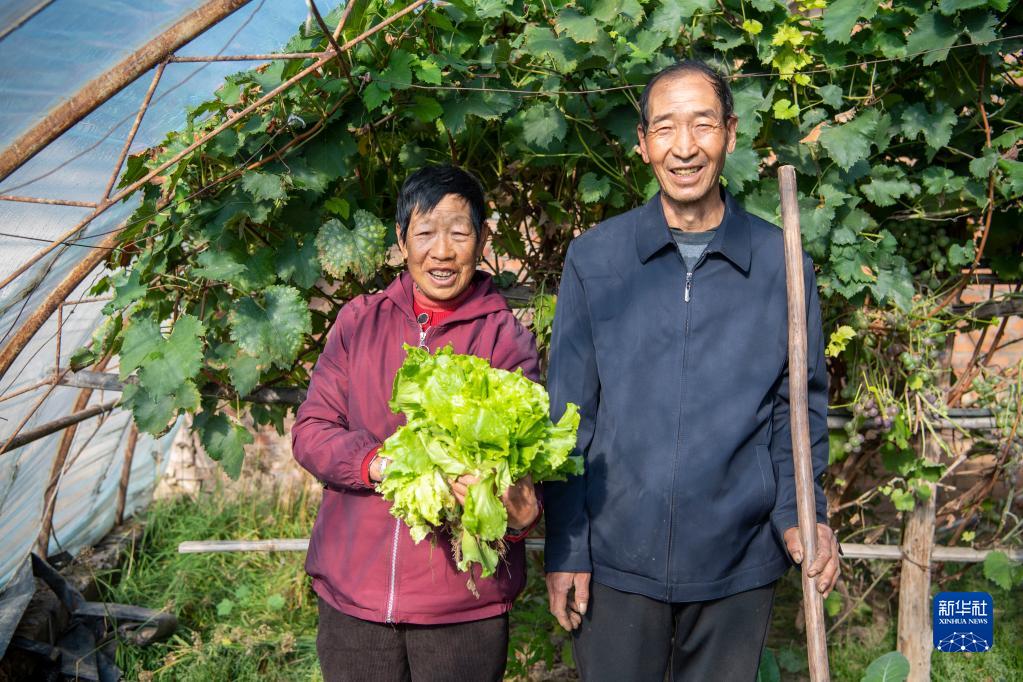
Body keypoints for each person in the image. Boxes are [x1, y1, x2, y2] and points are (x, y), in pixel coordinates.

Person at [542, 60, 841, 681]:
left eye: (703, 125)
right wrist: (566, 545)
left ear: (730, 133)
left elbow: (797, 409)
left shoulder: (780, 263)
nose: (684, 147)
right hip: (617, 561)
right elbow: (568, 418)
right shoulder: (597, 260)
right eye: (665, 128)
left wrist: (799, 513)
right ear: (643, 143)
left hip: (737, 562)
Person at [292, 164, 542, 682]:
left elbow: (518, 470)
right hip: (354, 597)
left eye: (459, 233)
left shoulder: (505, 340)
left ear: (482, 239)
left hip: (461, 607)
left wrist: (508, 503)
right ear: (402, 240)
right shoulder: (359, 321)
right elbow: (312, 431)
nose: (442, 251)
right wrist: (379, 463)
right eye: (426, 233)